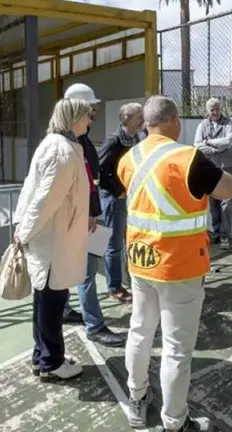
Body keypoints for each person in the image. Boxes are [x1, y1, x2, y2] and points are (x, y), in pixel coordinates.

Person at [119, 95, 232, 432]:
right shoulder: (187, 157)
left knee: (140, 332)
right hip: (179, 267)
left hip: (140, 262)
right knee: (175, 349)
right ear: (174, 121)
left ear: (146, 124)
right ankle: (175, 422)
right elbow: (228, 190)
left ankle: (137, 399)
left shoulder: (130, 157)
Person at [13, 98, 93, 381]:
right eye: (86, 116)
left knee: (45, 302)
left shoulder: (58, 146)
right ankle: (51, 362)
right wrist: (24, 231)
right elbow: (44, 201)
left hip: (53, 241)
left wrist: (22, 226)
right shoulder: (63, 152)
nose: (89, 121)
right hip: (53, 243)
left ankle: (42, 357)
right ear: (72, 119)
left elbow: (31, 191)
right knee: (51, 304)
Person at [62, 83, 126, 347]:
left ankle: (65, 310)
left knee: (79, 270)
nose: (94, 113)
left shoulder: (79, 138)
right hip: (83, 219)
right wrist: (88, 214)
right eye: (90, 109)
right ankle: (95, 326)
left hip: (89, 215)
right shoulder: (72, 141)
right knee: (87, 272)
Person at [98, 103, 145, 304]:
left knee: (129, 240)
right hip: (114, 198)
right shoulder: (114, 141)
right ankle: (114, 286)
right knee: (114, 244)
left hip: (130, 197)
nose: (142, 120)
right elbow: (99, 169)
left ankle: (128, 279)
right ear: (126, 119)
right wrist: (118, 191)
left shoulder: (136, 138)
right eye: (138, 117)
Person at [193, 98, 232, 250]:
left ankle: (225, 235)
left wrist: (208, 142)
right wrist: (216, 148)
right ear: (207, 111)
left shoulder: (229, 123)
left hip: (226, 167)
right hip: (210, 168)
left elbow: (229, 141)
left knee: (226, 204)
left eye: (217, 108)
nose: (215, 112)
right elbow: (197, 145)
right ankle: (216, 232)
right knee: (213, 203)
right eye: (212, 109)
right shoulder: (202, 125)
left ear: (221, 108)